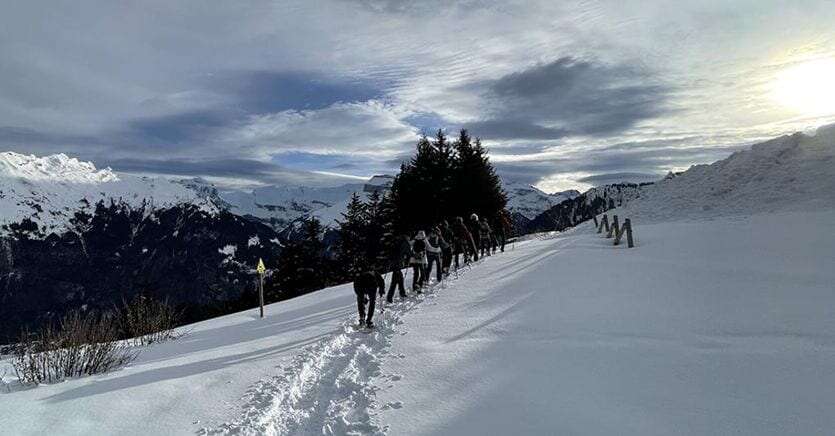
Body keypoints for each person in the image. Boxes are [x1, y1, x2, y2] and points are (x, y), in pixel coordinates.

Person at [386, 234, 411, 303]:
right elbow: (409, 253)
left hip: (394, 262)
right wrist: (408, 259)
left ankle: (401, 293)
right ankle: (390, 297)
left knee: (399, 279)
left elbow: (390, 251)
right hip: (398, 262)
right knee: (395, 281)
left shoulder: (397, 241)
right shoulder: (405, 243)